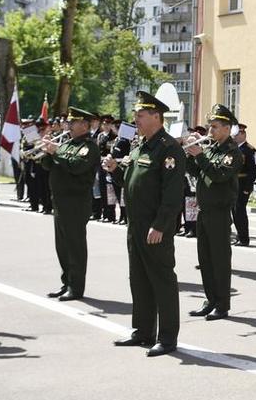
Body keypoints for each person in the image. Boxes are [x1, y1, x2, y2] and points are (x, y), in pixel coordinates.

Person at [102, 90, 186, 357]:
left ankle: (168, 338)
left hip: (155, 228)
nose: (135, 119)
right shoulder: (141, 146)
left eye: (140, 115)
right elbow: (130, 182)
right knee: (138, 280)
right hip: (135, 226)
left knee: (162, 281)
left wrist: (160, 225)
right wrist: (116, 170)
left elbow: (173, 195)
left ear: (156, 116)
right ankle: (143, 331)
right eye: (136, 115)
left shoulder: (169, 148)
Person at [185, 105, 244, 321]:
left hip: (219, 212)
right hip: (204, 211)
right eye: (210, 126)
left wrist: (200, 156)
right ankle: (210, 300)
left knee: (219, 260)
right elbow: (195, 172)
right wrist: (191, 154)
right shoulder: (211, 148)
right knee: (206, 259)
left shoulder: (232, 152)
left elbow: (219, 175)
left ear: (227, 129)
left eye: (215, 126)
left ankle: (222, 304)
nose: (210, 130)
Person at [39, 106, 101, 302]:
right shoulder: (67, 144)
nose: (69, 126)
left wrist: (56, 152)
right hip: (60, 202)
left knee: (75, 246)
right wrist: (48, 152)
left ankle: (76, 287)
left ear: (84, 125)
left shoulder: (89, 147)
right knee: (62, 246)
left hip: (76, 202)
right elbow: (47, 166)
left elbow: (76, 167)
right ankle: (66, 282)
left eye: (72, 122)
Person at [233, 123, 256, 247]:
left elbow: (253, 171)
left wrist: (248, 187)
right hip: (233, 184)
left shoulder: (249, 150)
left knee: (240, 211)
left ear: (243, 134)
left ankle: (244, 238)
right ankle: (239, 235)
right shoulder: (234, 148)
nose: (234, 137)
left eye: (236, 134)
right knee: (235, 212)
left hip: (243, 184)